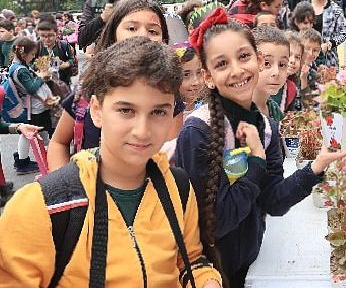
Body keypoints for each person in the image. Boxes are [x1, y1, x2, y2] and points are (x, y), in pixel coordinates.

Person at [0, 37, 223, 287]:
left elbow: (190, 261)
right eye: (126, 110)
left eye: (158, 111)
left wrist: (206, 281)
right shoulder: (43, 206)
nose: (142, 130)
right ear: (96, 110)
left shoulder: (178, 187)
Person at [172, 8, 346, 287]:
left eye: (243, 57)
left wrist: (316, 167)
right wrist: (256, 160)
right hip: (210, 274)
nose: (236, 70)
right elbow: (217, 223)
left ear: (256, 61)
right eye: (221, 64)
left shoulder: (267, 128)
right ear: (207, 77)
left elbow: (273, 201)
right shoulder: (198, 132)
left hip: (248, 261)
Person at [48, 0, 185, 171]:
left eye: (153, 31)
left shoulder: (169, 95)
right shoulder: (87, 89)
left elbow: (166, 157)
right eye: (132, 28)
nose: (142, 35)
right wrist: (67, 190)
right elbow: (59, 142)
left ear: (164, 41)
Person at [7, 36, 57, 174]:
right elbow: (31, 88)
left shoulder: (15, 65)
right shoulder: (21, 70)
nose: (33, 57)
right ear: (23, 53)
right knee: (34, 132)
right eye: (32, 54)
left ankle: (22, 160)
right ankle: (27, 161)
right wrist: (42, 76)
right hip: (34, 107)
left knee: (29, 133)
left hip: (29, 106)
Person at [251, 26, 291, 121]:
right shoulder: (240, 114)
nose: (276, 72)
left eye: (282, 64)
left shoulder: (273, 109)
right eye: (267, 63)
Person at [308, 0, 346, 67]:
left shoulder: (335, 10)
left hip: (328, 60)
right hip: (306, 61)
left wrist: (330, 44)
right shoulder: (303, 8)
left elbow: (342, 35)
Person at [36, 19, 76, 87]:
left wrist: (66, 64)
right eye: (43, 36)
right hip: (43, 85)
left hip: (63, 82)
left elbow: (72, 59)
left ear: (56, 34)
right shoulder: (36, 47)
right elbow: (29, 64)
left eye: (50, 35)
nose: (46, 39)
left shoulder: (64, 45)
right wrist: (41, 66)